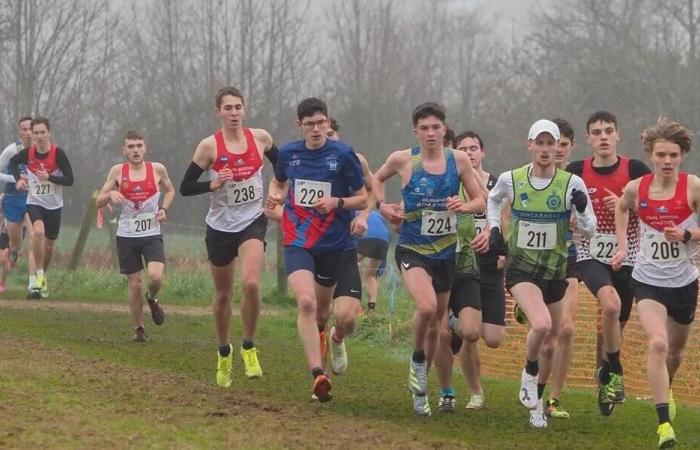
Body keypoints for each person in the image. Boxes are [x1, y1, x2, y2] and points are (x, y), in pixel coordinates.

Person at [374, 102, 485, 416]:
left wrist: (463, 206)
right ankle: (417, 361)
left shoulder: (459, 160)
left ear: (444, 129)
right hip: (412, 249)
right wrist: (382, 206)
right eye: (424, 128)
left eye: (436, 127)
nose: (431, 133)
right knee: (426, 307)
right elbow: (376, 179)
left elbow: (479, 201)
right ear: (416, 132)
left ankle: (420, 395)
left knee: (438, 326)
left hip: (446, 254)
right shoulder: (403, 160)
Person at [485, 119, 596, 428]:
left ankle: (537, 404)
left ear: (559, 147)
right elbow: (492, 201)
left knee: (551, 343)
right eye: (541, 143)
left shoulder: (571, 184)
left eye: (552, 144)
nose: (546, 150)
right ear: (529, 145)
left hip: (556, 270)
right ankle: (529, 369)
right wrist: (495, 230)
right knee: (543, 324)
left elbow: (590, 229)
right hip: (521, 269)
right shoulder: (512, 179)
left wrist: (583, 208)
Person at [266, 98, 367, 402]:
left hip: (335, 244)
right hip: (298, 241)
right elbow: (279, 183)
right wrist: (274, 196)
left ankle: (336, 339)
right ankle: (317, 374)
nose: (316, 129)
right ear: (300, 126)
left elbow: (362, 198)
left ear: (327, 122)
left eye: (321, 122)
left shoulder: (343, 154)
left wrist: (337, 203)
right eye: (309, 124)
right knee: (307, 303)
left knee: (333, 314)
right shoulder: (288, 153)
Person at [180, 86, 277, 387]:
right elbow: (185, 186)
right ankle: (224, 350)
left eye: (238, 107)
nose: (234, 113)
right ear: (218, 112)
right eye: (228, 108)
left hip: (252, 222)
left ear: (244, 110)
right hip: (221, 227)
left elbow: (284, 165)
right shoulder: (209, 147)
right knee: (223, 294)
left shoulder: (260, 138)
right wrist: (212, 185)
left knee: (250, 284)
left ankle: (248, 346)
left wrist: (276, 191)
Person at [612, 118, 697, 449]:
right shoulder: (637, 187)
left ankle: (668, 383)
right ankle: (664, 426)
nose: (667, 161)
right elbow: (622, 206)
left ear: (682, 156)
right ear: (651, 155)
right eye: (661, 155)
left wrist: (687, 234)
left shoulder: (693, 187)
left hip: (684, 282)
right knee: (658, 344)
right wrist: (623, 246)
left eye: (673, 155)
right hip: (647, 281)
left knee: (675, 352)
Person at [566, 111, 651, 415]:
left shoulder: (636, 169)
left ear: (618, 136)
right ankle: (615, 372)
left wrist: (626, 206)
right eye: (597, 132)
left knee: (616, 322)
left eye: (608, 131)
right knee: (610, 306)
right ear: (588, 139)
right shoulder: (576, 171)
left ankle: (604, 373)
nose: (603, 137)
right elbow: (562, 208)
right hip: (590, 253)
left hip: (628, 255)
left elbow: (655, 210)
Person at [434, 130, 506, 412]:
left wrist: (503, 251)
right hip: (461, 264)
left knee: (494, 338)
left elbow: (504, 215)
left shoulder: (497, 183)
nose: (470, 153)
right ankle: (475, 391)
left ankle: (455, 322)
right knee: (470, 332)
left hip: (489, 267)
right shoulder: (451, 181)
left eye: (474, 148)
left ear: (483, 152)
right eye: (463, 148)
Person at [96, 131, 174, 341]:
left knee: (156, 277)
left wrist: (164, 209)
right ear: (124, 150)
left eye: (139, 145)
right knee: (135, 283)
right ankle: (138, 328)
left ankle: (153, 298)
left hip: (151, 233)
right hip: (127, 234)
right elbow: (98, 201)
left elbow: (170, 190)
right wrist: (110, 193)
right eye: (131, 146)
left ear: (145, 148)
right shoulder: (117, 171)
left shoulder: (157, 169)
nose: (136, 150)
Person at [10, 117, 73, 299]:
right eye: (35, 133)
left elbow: (70, 180)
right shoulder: (28, 153)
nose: (38, 136)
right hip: (34, 202)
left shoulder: (58, 153)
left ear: (49, 133)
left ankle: (43, 275)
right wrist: (19, 179)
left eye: (42, 132)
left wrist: (50, 178)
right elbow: (13, 163)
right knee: (37, 233)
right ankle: (37, 274)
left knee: (49, 246)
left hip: (54, 206)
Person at [0, 116, 37, 295]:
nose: (28, 133)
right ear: (19, 132)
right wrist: (16, 178)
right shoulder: (11, 150)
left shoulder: (40, 150)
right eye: (24, 129)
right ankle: (15, 251)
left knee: (35, 238)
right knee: (15, 243)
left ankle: (33, 285)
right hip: (12, 198)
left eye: (31, 129)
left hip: (32, 199)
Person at [355, 210, 390, 311]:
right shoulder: (377, 214)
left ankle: (355, 304)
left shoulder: (353, 211)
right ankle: (371, 307)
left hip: (366, 238)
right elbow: (386, 234)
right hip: (383, 241)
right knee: (371, 274)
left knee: (349, 267)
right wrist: (382, 265)